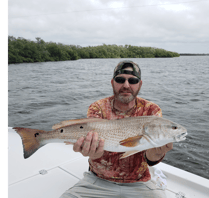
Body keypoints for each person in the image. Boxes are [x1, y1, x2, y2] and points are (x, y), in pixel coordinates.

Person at [60, 60, 173, 198]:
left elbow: (150, 158)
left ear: (140, 84)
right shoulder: (98, 107)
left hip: (138, 182)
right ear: (112, 82)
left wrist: (159, 152)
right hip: (97, 180)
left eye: (133, 80)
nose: (126, 85)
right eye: (120, 80)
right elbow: (95, 153)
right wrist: (91, 152)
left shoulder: (151, 110)